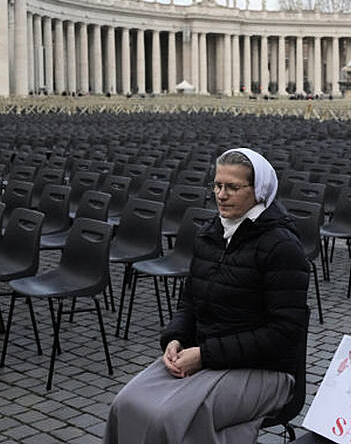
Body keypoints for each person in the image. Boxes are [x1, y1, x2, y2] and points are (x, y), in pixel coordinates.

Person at [103, 148, 309, 444]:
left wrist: (204, 355)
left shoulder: (282, 247)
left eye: (233, 187)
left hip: (266, 371)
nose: (221, 195)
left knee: (169, 419)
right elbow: (190, 302)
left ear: (259, 190)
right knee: (125, 404)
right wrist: (175, 338)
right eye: (217, 185)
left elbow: (284, 333)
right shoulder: (210, 233)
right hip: (207, 354)